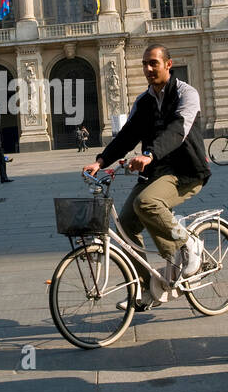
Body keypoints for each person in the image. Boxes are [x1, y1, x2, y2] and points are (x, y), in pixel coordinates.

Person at [83, 44, 210, 308]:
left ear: (168, 64)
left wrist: (150, 154)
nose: (148, 69)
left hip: (186, 171)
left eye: (154, 63)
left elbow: (178, 130)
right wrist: (101, 161)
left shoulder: (187, 94)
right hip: (156, 171)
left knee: (147, 203)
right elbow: (128, 135)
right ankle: (148, 287)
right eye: (145, 64)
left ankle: (188, 244)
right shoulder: (144, 101)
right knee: (127, 225)